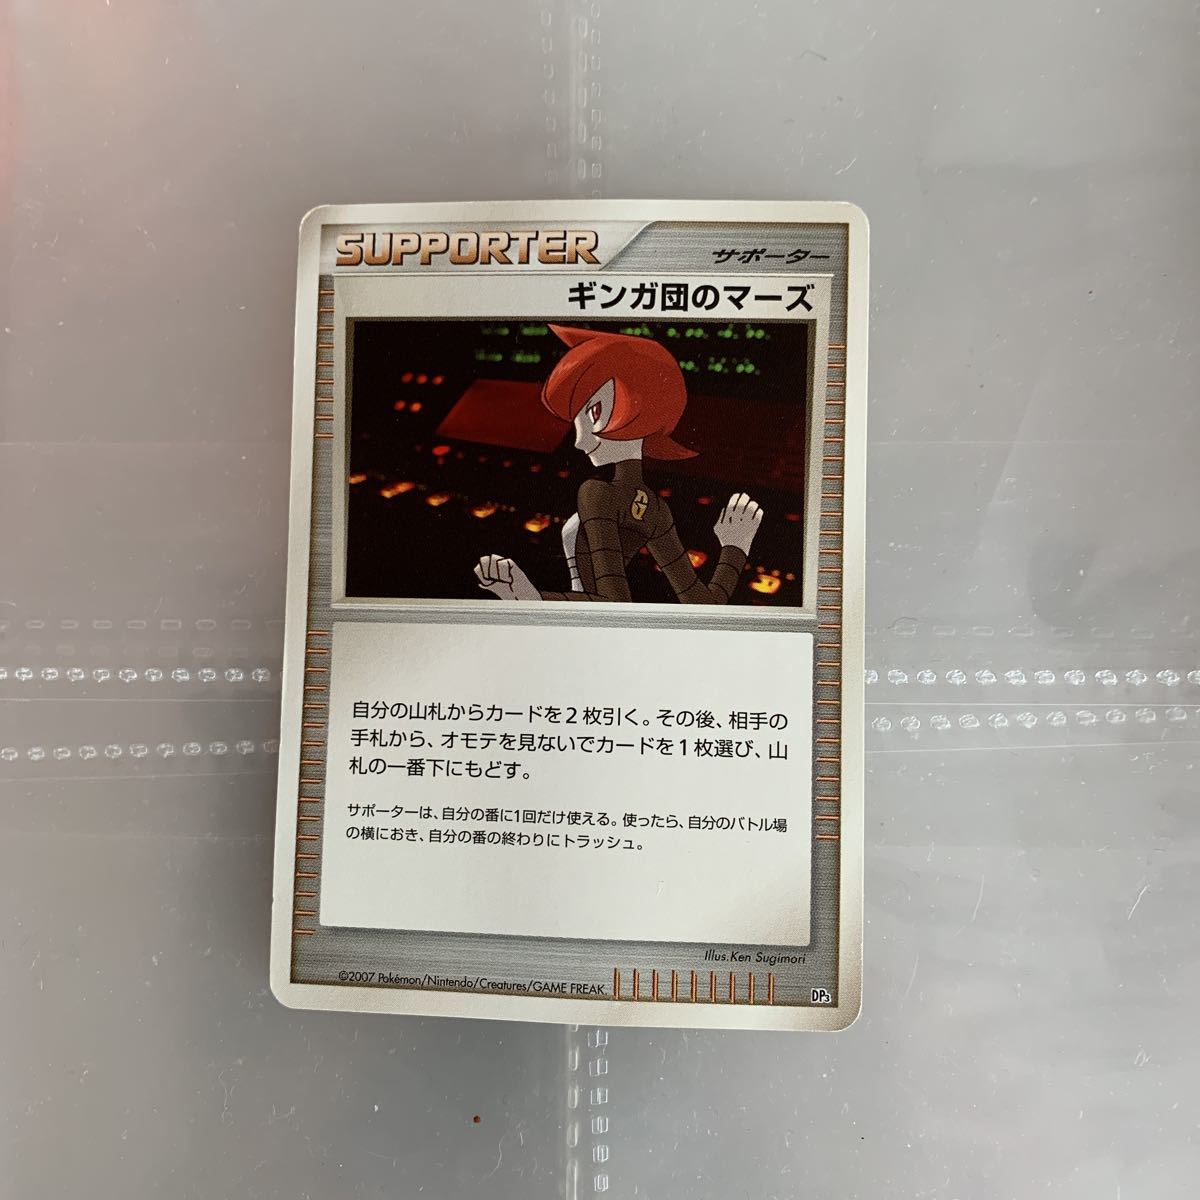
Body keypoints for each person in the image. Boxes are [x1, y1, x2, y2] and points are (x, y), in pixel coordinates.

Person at [474, 325, 763, 603]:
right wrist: (735, 547)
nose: (580, 441)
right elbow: (703, 601)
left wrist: (533, 598)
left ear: (637, 404)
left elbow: (613, 601)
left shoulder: (597, 493)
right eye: (578, 421)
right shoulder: (656, 509)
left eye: (594, 413)